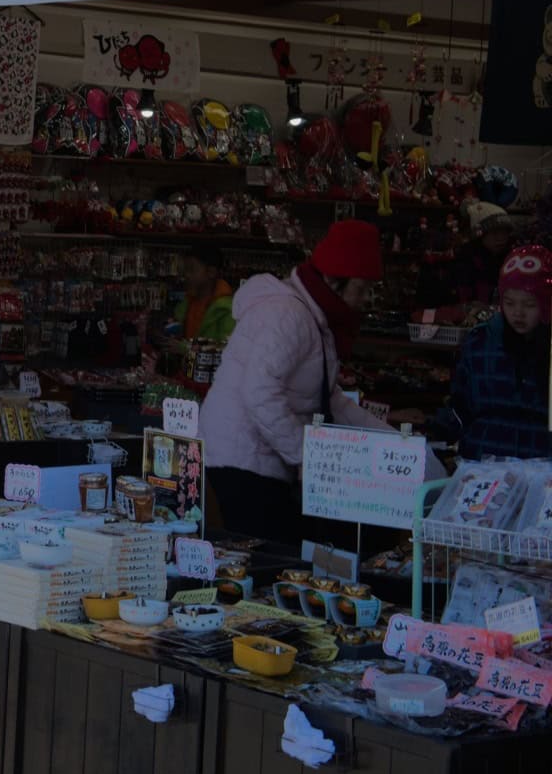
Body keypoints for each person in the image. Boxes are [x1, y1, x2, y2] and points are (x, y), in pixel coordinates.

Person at [200, 220, 400, 542]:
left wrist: (395, 443)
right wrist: (305, 455)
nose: (365, 300)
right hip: (243, 457)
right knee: (273, 554)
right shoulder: (289, 315)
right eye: (361, 289)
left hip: (254, 456)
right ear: (335, 281)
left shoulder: (313, 317)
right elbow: (260, 392)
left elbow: (329, 398)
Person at [446, 244, 551, 460]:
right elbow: (460, 404)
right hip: (482, 461)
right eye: (509, 303)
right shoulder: (479, 342)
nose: (518, 312)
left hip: (540, 465)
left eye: (529, 304)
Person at [179, 248, 236, 342]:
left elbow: (225, 347)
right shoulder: (187, 302)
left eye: (192, 270)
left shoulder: (227, 310)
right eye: (185, 270)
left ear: (211, 272)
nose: (186, 275)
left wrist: (182, 347)